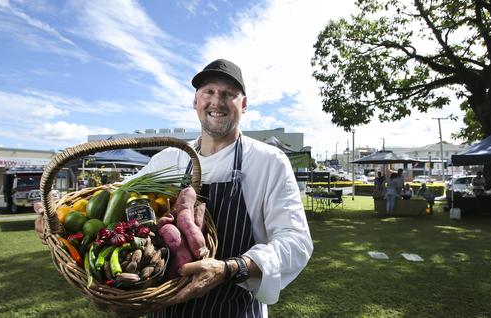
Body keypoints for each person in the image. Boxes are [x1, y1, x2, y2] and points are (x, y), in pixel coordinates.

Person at [35, 59, 313, 318]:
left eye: (229, 94)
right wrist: (55, 213)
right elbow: (113, 197)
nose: (217, 101)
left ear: (244, 104)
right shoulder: (170, 159)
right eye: (209, 92)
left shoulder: (267, 162)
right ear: (196, 101)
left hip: (234, 307)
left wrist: (231, 268)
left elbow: (296, 242)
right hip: (164, 307)